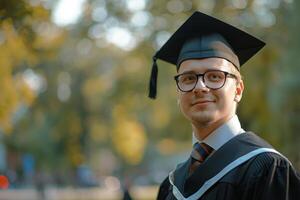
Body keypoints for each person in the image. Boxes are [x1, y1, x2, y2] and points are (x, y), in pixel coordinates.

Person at [148, 11, 300, 200]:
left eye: (215, 76)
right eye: (189, 78)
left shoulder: (267, 169)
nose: (200, 87)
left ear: (238, 90)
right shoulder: (170, 185)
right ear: (179, 92)